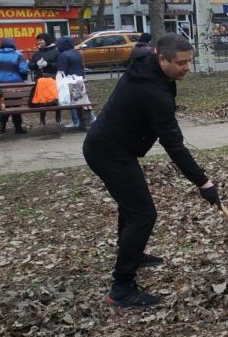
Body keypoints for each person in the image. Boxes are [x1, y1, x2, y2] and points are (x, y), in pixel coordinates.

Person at [83, 33, 220, 308]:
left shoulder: (149, 67)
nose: (187, 68)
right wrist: (203, 182)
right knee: (143, 214)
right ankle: (121, 287)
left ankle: (133, 252)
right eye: (181, 63)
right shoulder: (152, 92)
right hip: (108, 152)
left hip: (113, 147)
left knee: (131, 207)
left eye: (189, 61)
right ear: (162, 58)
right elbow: (174, 145)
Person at [0, 37, 28, 135]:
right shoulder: (18, 55)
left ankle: (2, 127)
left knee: (4, 105)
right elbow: (23, 70)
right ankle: (18, 127)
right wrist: (22, 78)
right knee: (15, 105)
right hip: (15, 85)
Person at [56, 36, 90, 130]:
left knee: (73, 103)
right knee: (81, 102)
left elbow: (62, 70)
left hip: (69, 81)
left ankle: (77, 121)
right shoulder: (77, 53)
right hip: (79, 80)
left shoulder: (63, 55)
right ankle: (84, 122)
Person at [31, 33, 61, 127]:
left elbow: (59, 64)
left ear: (47, 40)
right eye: (38, 40)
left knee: (55, 98)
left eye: (41, 40)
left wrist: (48, 64)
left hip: (53, 78)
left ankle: (58, 117)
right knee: (42, 99)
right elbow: (30, 65)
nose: (39, 42)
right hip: (40, 79)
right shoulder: (37, 53)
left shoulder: (56, 51)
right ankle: (42, 119)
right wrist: (36, 64)